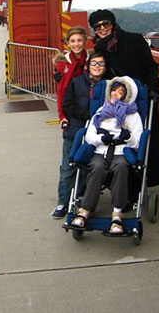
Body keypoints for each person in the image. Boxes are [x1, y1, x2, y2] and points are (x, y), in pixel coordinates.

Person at [88, 9, 159, 187]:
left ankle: (142, 184)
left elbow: (150, 67)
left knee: (141, 141)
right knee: (118, 142)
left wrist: (153, 89)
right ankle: (120, 187)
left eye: (105, 23)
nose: (102, 28)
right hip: (116, 102)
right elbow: (96, 71)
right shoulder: (99, 49)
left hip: (140, 99)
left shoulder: (135, 40)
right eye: (97, 26)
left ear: (112, 23)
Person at [71, 76, 143, 234]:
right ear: (109, 92)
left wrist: (128, 137)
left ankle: (117, 213)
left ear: (126, 95)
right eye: (114, 90)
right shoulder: (100, 111)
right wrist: (101, 138)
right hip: (101, 150)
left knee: (122, 168)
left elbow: (138, 142)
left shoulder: (133, 115)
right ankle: (84, 211)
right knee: (96, 168)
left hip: (120, 151)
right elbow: (89, 136)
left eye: (121, 92)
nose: (116, 94)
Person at [51, 52, 107, 218]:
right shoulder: (76, 82)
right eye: (94, 63)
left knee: (87, 167)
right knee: (68, 166)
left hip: (96, 132)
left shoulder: (109, 85)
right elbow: (67, 104)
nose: (97, 66)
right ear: (88, 66)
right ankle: (63, 201)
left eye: (101, 64)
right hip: (76, 129)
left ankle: (82, 197)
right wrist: (87, 115)